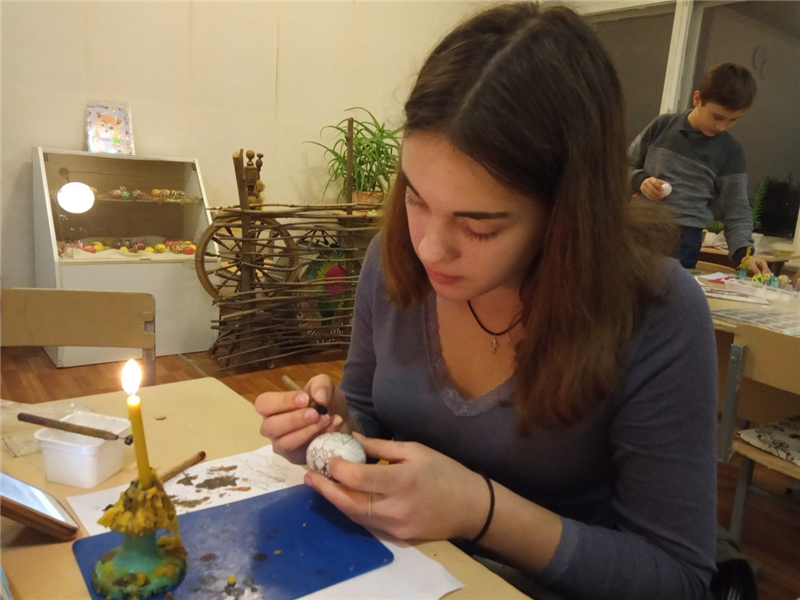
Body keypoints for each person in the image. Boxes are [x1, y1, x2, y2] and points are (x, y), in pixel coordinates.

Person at [255, 3, 718, 599]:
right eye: (416, 198)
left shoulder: (658, 312)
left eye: (479, 226)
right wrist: (336, 430)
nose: (429, 247)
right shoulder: (391, 258)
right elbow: (370, 410)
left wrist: (480, 511)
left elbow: (677, 578)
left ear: (565, 213)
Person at [629, 62, 770, 273]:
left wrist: (745, 254)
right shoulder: (662, 126)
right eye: (717, 117)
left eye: (733, 120)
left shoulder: (731, 152)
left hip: (685, 240)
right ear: (697, 99)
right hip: (640, 229)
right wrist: (640, 181)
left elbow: (737, 209)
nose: (722, 127)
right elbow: (621, 167)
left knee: (670, 292)